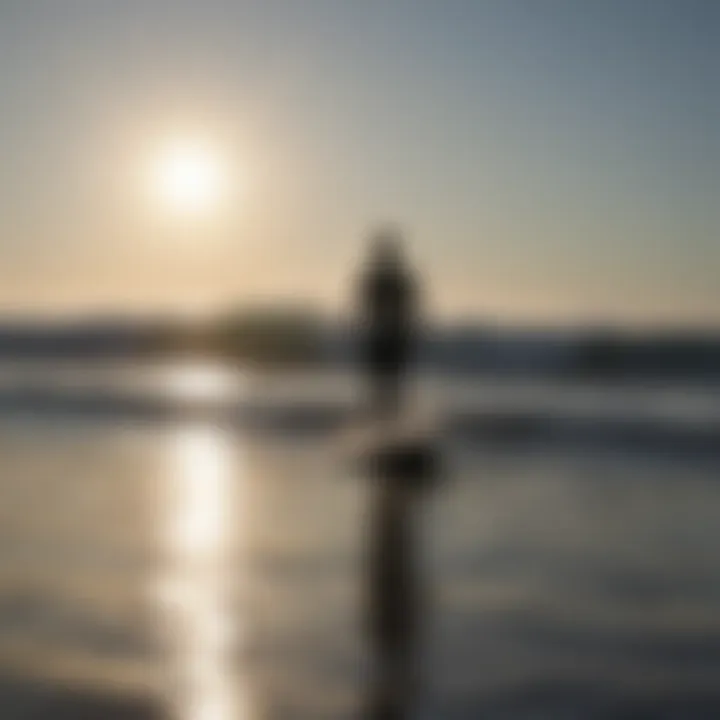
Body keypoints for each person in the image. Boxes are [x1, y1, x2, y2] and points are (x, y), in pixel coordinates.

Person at [357, 229, 418, 419]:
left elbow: (406, 305)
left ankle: (388, 414)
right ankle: (385, 414)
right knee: (384, 379)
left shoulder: (390, 279)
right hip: (384, 335)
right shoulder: (385, 279)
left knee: (388, 379)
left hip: (390, 335)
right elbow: (367, 303)